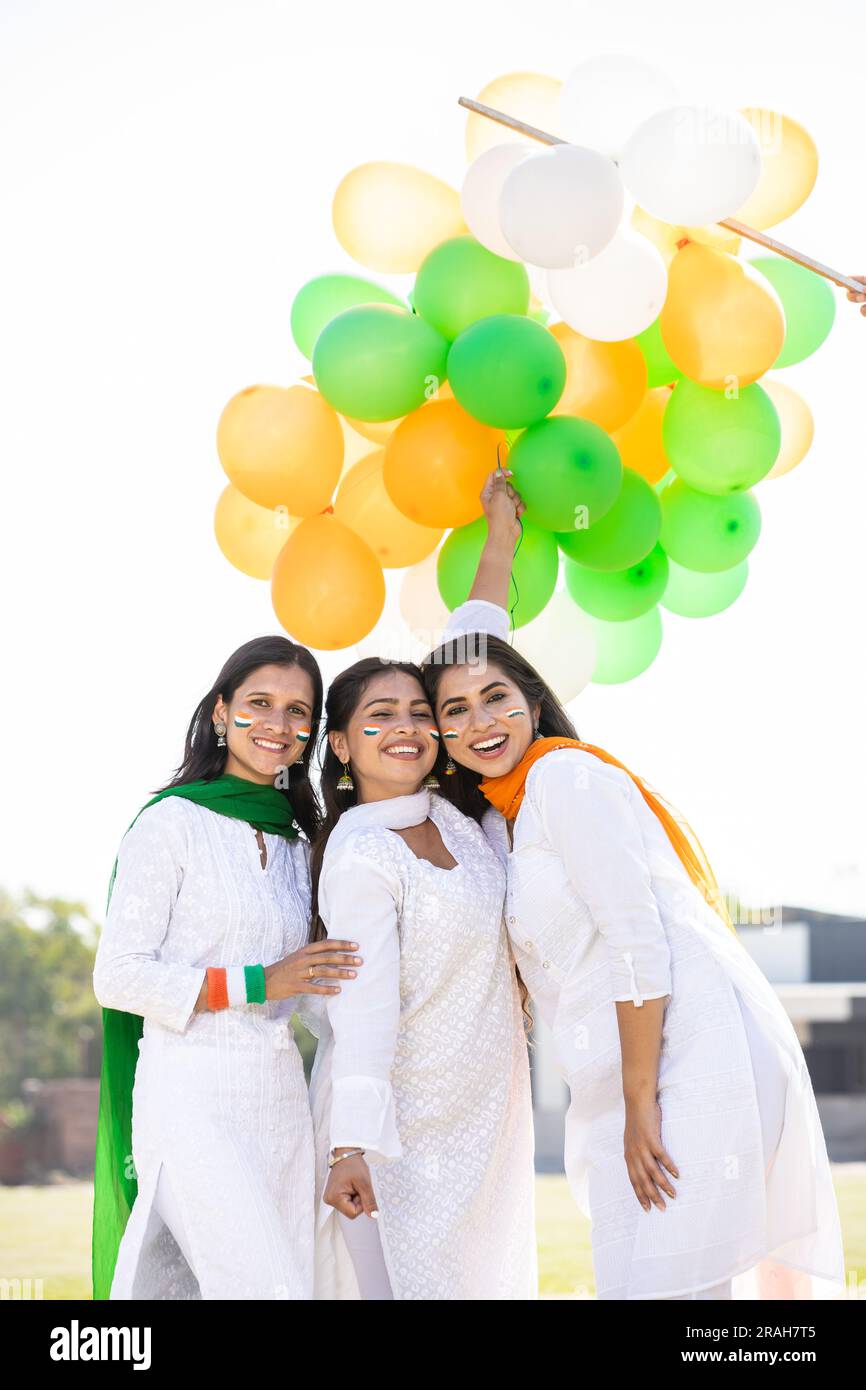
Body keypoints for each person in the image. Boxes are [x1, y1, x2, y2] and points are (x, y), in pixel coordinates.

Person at [420, 493, 847, 1301]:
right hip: (633, 1073)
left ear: (534, 703)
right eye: (455, 710)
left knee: (675, 1291)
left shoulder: (564, 778)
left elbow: (636, 941)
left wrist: (641, 1103)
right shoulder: (506, 816)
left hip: (687, 1061)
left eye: (497, 699)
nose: (480, 721)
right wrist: (500, 542)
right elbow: (475, 635)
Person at [307, 473, 537, 1301]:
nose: (406, 729)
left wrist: (500, 536)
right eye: (379, 718)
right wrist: (350, 1147)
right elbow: (360, 1013)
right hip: (393, 1134)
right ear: (339, 746)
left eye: (417, 714)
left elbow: (477, 641)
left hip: (485, 1113)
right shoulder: (360, 857)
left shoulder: (463, 813)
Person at [91, 635, 362, 1299]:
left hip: (279, 1104)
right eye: (260, 704)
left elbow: (322, 989)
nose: (278, 724)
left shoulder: (304, 843)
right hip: (189, 1096)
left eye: (299, 711)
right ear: (220, 712)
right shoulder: (172, 823)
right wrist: (261, 982)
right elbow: (119, 975)